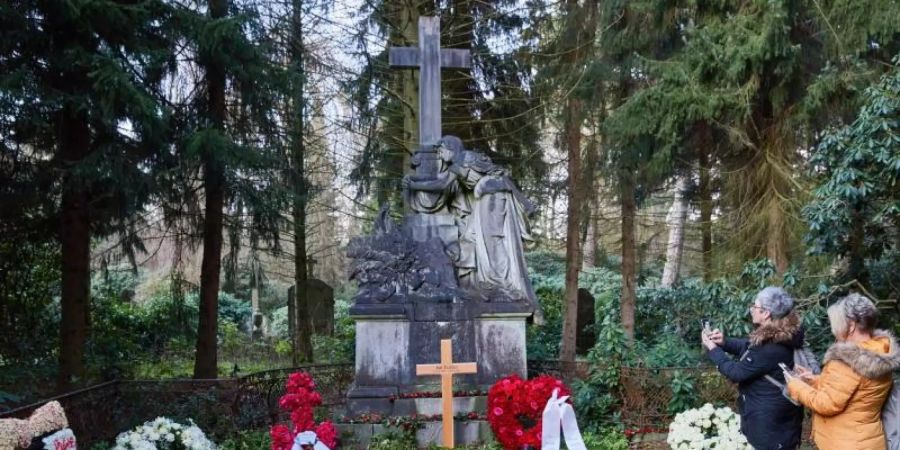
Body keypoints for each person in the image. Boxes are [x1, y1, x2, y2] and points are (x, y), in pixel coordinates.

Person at [402, 135, 543, 323]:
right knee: (482, 241)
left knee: (492, 241)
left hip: (491, 196)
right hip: (487, 196)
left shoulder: (462, 159)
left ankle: (503, 284)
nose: (440, 154)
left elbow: (441, 185)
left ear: (450, 148)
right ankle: (498, 282)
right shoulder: (462, 161)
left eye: (441, 150)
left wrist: (413, 184)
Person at [784, 293, 900, 450]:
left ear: (851, 325)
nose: (834, 330)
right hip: (869, 440)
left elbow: (826, 404)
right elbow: (854, 389)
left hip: (844, 443)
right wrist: (813, 379)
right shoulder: (880, 350)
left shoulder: (848, 360)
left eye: (837, 323)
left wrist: (796, 385)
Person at [701, 286, 804, 450]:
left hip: (768, 426)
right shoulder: (782, 335)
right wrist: (724, 342)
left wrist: (713, 350)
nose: (751, 310)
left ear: (766, 313)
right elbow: (749, 346)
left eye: (755, 307)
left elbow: (736, 373)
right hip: (781, 419)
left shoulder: (769, 347)